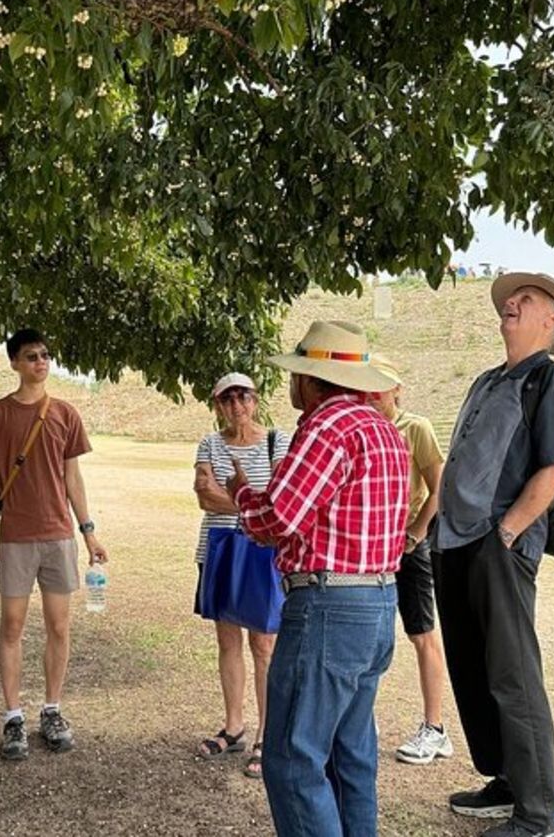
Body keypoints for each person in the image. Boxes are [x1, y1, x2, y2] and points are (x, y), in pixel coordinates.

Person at [227, 320, 409, 837]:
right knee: (351, 753)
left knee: (293, 758)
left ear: (309, 379)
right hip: (378, 601)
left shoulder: (326, 427)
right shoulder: (384, 429)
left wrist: (240, 495)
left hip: (330, 606)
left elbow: (278, 518)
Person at [433, 273, 554, 837]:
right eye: (509, 299)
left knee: (513, 674)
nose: (512, 304)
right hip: (455, 542)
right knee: (473, 669)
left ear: (552, 320)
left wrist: (507, 532)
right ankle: (507, 781)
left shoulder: (550, 379)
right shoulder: (487, 380)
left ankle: (543, 814)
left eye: (527, 300)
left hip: (497, 546)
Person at [0, 328, 109, 760]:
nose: (41, 362)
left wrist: (88, 531)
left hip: (58, 535)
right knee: (11, 626)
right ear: (14, 362)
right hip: (15, 536)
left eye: (46, 355)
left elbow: (73, 478)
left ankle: (52, 709)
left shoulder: (65, 414)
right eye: (31, 356)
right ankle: (13, 716)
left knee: (59, 626)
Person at [192, 372, 290, 778]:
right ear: (218, 405)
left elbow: (282, 496)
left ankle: (267, 735)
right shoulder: (209, 444)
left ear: (255, 399)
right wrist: (253, 505)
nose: (236, 406)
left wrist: (234, 496)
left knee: (264, 643)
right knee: (227, 639)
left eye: (243, 397)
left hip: (264, 551)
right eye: (227, 399)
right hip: (219, 548)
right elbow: (204, 494)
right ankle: (234, 726)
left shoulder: (276, 441)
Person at [368, 355, 454, 766]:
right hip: (372, 547)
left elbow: (439, 488)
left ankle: (435, 729)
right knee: (370, 635)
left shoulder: (415, 428)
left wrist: (415, 534)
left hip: (407, 546)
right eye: (366, 384)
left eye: (381, 384)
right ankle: (361, 722)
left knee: (421, 633)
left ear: (397, 388)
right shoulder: (365, 428)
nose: (372, 392)